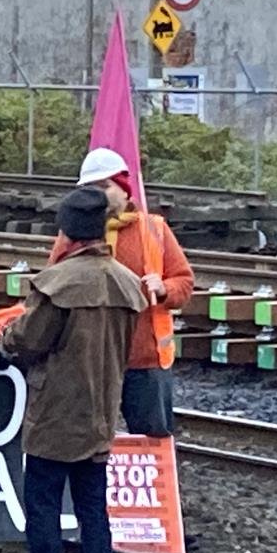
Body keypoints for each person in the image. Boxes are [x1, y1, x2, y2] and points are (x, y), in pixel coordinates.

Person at [0, 187, 148, 553]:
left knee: (43, 501)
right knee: (92, 504)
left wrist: (2, 337)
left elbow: (28, 340)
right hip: (101, 408)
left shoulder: (56, 285)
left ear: (67, 233)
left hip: (55, 411)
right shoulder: (126, 284)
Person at [48, 148, 194, 437]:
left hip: (145, 361)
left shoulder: (155, 229)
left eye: (105, 186)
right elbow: (50, 282)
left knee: (154, 441)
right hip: (90, 361)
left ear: (124, 188)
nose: (99, 195)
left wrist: (165, 288)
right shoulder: (73, 232)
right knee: (84, 443)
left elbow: (185, 282)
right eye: (92, 189)